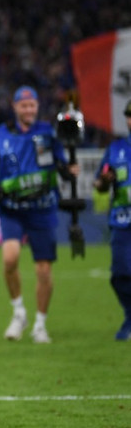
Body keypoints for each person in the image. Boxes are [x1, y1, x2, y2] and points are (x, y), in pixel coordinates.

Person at [0, 86, 79, 344]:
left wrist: (68, 171)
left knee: (43, 270)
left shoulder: (48, 134)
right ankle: (19, 313)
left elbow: (60, 167)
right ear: (15, 107)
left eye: (32, 105)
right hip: (11, 210)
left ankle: (40, 324)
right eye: (24, 105)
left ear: (37, 107)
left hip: (42, 209)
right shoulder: (0, 135)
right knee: (10, 259)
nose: (28, 109)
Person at [94, 103, 131, 341]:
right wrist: (105, 181)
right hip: (121, 221)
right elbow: (99, 183)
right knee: (119, 275)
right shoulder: (115, 148)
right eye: (130, 116)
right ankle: (130, 314)